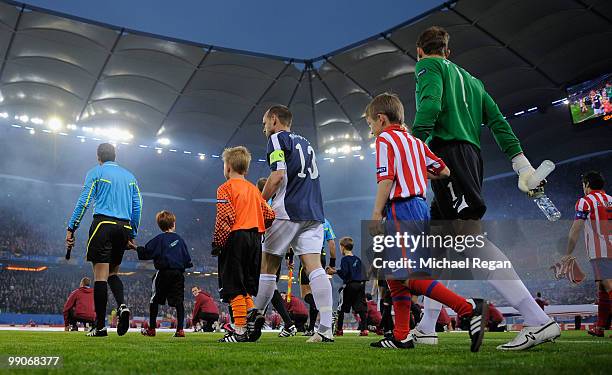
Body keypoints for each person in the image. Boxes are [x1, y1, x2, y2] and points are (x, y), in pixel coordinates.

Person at [409, 26, 560, 350]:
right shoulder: (474, 82)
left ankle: (538, 320)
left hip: (449, 156)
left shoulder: (427, 66)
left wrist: (413, 149)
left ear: (419, 52)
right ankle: (426, 327)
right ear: (448, 51)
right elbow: (499, 122)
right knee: (440, 247)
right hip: (470, 157)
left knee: (468, 239)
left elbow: (431, 107)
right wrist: (522, 165)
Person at [366, 92, 487, 351]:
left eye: (371, 124)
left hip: (402, 208)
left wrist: (376, 213)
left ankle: (468, 308)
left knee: (408, 276)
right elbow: (443, 170)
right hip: (420, 207)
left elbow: (385, 178)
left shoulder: (385, 139)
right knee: (395, 277)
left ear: (381, 119)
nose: (372, 130)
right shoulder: (415, 142)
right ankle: (401, 336)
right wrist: (416, 174)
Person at [249, 105, 334, 343]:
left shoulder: (277, 139)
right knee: (315, 268)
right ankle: (326, 328)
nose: (264, 128)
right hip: (314, 212)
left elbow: (277, 176)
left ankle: (251, 323)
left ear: (274, 120)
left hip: (287, 210)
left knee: (268, 266)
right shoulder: (306, 143)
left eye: (265, 122)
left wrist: (259, 202)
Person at [65, 143, 142, 337]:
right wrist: (132, 232)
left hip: (103, 225)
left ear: (98, 157)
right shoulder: (130, 177)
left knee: (100, 276)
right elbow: (137, 206)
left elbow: (84, 201)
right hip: (123, 227)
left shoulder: (96, 172)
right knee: (113, 274)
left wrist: (72, 227)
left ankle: (99, 326)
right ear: (115, 156)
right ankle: (122, 305)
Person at [213, 146, 275, 342]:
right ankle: (252, 316)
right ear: (246, 169)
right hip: (255, 239)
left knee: (233, 286)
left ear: (228, 167)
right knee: (246, 287)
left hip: (235, 237)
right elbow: (270, 214)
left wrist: (218, 243)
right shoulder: (254, 190)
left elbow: (224, 217)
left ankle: (238, 330)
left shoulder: (225, 188)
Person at [563, 171, 611, 338]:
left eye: (583, 185)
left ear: (587, 184)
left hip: (602, 252)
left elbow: (576, 227)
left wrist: (568, 252)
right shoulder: (611, 199)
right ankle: (600, 327)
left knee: (609, 286)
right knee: (603, 288)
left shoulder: (585, 201)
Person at [134, 210, 192, 338]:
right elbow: (187, 260)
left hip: (163, 272)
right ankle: (180, 330)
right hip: (178, 274)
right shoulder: (180, 240)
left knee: (154, 300)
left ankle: (152, 329)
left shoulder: (159, 239)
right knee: (179, 302)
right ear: (173, 224)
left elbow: (146, 252)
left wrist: (135, 247)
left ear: (160, 225)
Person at [256, 177, 298, 338]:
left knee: (266, 287)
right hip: (277, 253)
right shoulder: (279, 207)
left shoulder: (265, 207)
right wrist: (289, 256)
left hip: (267, 253)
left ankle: (256, 320)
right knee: (270, 289)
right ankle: (287, 324)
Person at [300, 218, 337, 336]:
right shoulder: (325, 221)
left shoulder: (303, 218)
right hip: (321, 255)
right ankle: (311, 328)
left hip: (307, 255)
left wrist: (289, 257)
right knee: (316, 292)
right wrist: (332, 264)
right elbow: (331, 243)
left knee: (306, 294)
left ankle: (324, 312)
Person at [328, 237, 368, 336]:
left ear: (343, 247)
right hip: (360, 285)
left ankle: (339, 330)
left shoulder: (345, 259)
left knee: (341, 307)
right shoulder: (358, 259)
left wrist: (334, 271)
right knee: (361, 308)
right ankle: (364, 330)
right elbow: (364, 274)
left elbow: (345, 272)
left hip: (349, 285)